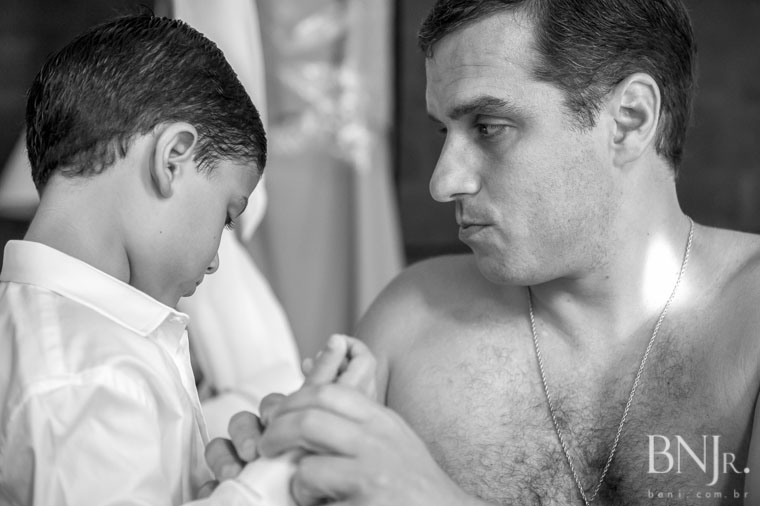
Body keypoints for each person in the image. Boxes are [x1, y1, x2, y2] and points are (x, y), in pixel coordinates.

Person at [213, 0, 760, 505]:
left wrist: (430, 496)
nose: (443, 182)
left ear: (629, 119)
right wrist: (280, 477)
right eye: (444, 131)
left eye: (489, 128)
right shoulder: (412, 323)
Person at [0, 13, 268, 505]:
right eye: (227, 216)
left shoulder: (50, 337)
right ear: (173, 158)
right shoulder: (95, 379)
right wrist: (272, 485)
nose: (214, 261)